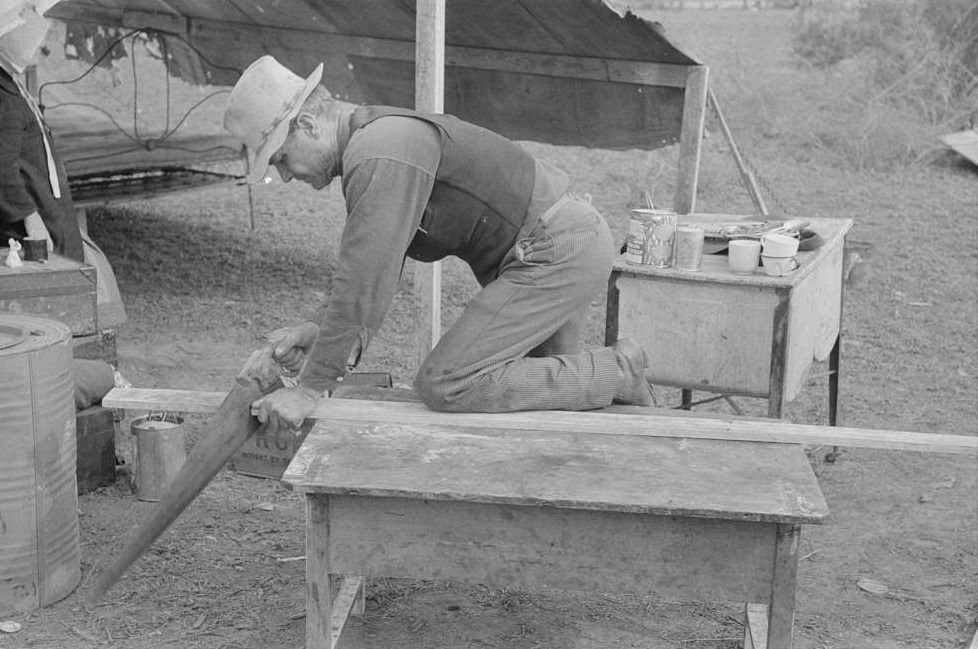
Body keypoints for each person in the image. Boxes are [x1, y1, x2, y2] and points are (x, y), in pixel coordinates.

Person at [223, 55, 654, 435]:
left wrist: (310, 389)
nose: (283, 174)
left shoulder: (378, 152)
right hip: (558, 245)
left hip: (555, 251)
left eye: (280, 158)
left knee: (447, 381)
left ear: (307, 125)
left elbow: (362, 277)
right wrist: (321, 332)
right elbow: (378, 269)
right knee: (556, 419)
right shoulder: (375, 142)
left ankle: (622, 371)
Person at [1, 5, 127, 408]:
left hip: (48, 227)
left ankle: (75, 387)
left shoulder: (10, 85)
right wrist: (31, 219)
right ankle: (73, 392)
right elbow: (0, 170)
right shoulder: (1, 95)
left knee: (66, 323)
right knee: (50, 330)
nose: (40, 35)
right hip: (34, 238)